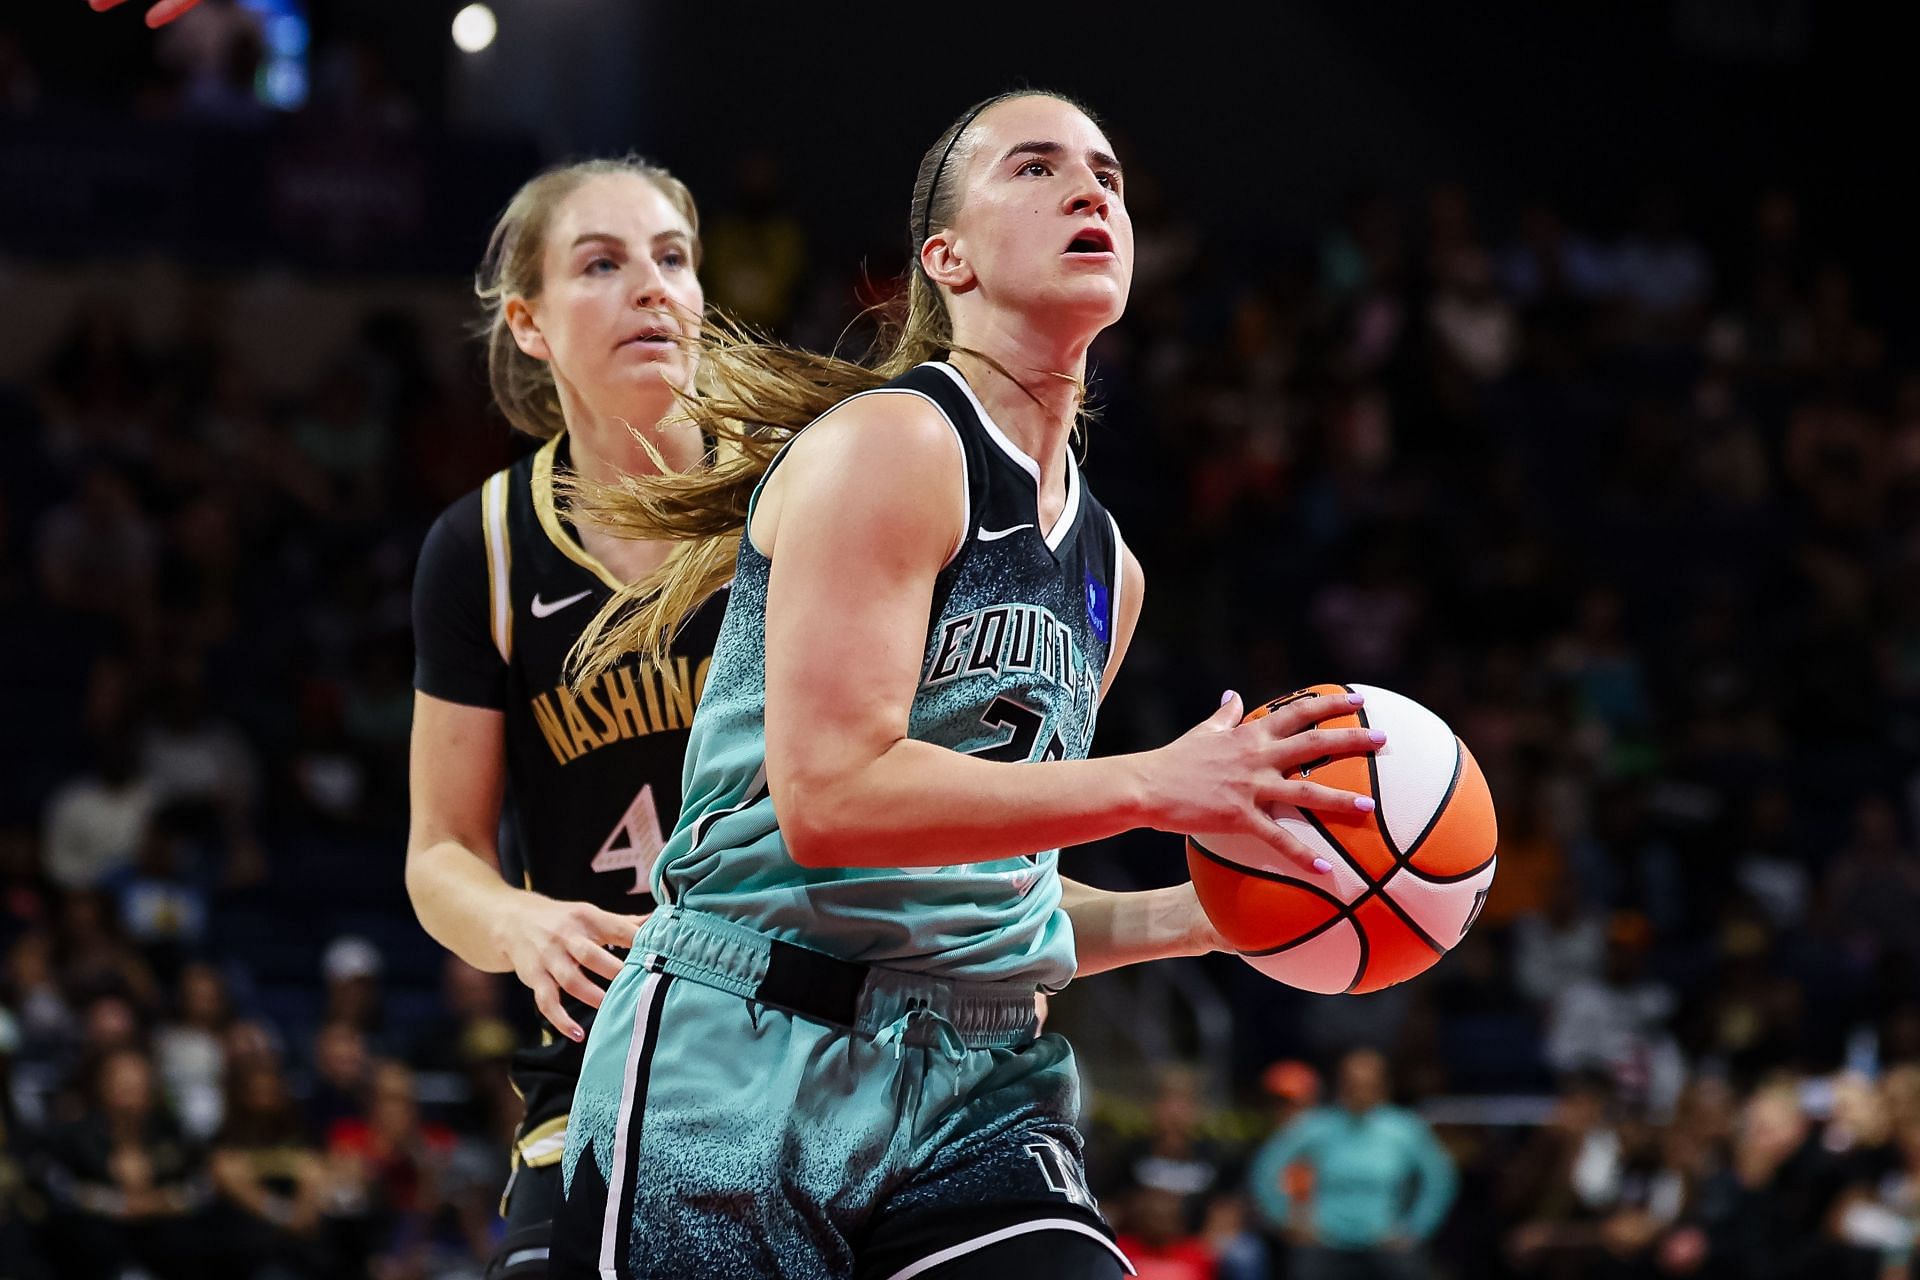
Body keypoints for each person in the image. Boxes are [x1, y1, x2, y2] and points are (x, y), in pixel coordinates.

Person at [552, 90, 1384, 1279]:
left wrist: (1213, 913)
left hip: (977, 1080)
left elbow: (995, 897)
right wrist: (1154, 786)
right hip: (745, 1055)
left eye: (1106, 174)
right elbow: (831, 798)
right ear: (946, 259)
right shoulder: (895, 443)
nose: (1090, 190)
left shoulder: (1111, 571)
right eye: (1035, 170)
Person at [405, 157, 726, 1280]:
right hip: (604, 1056)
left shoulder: (803, 494)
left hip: (809, 1033)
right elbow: (440, 852)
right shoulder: (481, 548)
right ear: (529, 323)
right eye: (602, 262)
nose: (651, 286)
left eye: (672, 258)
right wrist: (520, 926)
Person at [1247, 1049, 1456, 1280]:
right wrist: (1284, 1219)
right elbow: (1266, 1168)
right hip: (1326, 1239)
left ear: (1383, 1085)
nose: (1359, 1091)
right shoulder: (1315, 1126)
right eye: (1352, 1084)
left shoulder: (1404, 1129)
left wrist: (1417, 1227)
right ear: (1340, 1085)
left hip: (1385, 1240)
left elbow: (1439, 1178)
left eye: (1368, 1084)